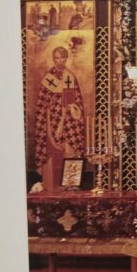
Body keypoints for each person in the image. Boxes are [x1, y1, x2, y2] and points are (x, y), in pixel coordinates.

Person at [34, 46, 86, 191]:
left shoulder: (70, 77)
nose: (60, 61)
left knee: (70, 150)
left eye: (62, 57)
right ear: (53, 59)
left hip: (69, 121)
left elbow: (76, 100)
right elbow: (42, 102)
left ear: (66, 58)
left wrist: (72, 108)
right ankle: (52, 183)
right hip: (52, 121)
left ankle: (71, 183)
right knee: (52, 153)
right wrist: (55, 106)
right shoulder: (48, 79)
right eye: (57, 58)